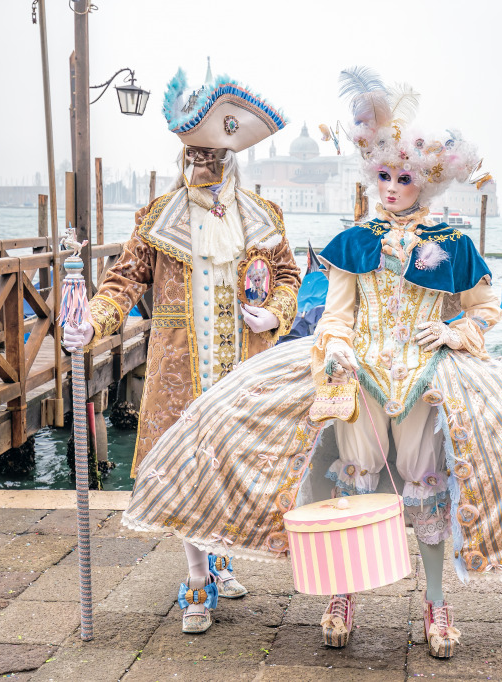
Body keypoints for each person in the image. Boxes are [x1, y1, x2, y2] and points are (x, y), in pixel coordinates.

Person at [120, 68, 502, 660]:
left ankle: (436, 601)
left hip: (427, 376)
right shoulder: (355, 239)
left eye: (403, 178)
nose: (391, 187)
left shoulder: (452, 242)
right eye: (384, 176)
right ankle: (342, 593)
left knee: (427, 490)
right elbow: (336, 313)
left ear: (424, 182)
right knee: (354, 480)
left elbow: (486, 311)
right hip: (359, 374)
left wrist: (452, 330)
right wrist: (337, 343)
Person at [62, 67, 300, 634]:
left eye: (212, 157)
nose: (202, 166)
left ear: (231, 160)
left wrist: (275, 312)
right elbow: (122, 283)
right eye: (194, 156)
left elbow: (288, 274)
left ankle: (222, 557)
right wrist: (90, 323)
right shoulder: (156, 221)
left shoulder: (262, 218)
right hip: (177, 369)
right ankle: (197, 579)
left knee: (234, 466)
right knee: (186, 468)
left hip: (243, 365)